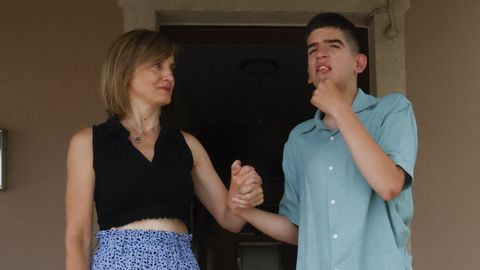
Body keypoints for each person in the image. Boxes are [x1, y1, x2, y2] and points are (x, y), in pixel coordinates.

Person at [229, 12, 418, 270]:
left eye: (334, 46)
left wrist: (340, 109)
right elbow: (297, 229)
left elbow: (389, 185)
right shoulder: (299, 139)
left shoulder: (392, 110)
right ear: (308, 73)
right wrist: (242, 210)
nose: (321, 54)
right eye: (312, 51)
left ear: (359, 63)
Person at [65, 29, 263, 270]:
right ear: (125, 71)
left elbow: (230, 219)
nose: (169, 75)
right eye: (157, 65)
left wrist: (240, 194)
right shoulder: (88, 142)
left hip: (178, 262)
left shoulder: (187, 144)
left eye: (171, 67)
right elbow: (78, 236)